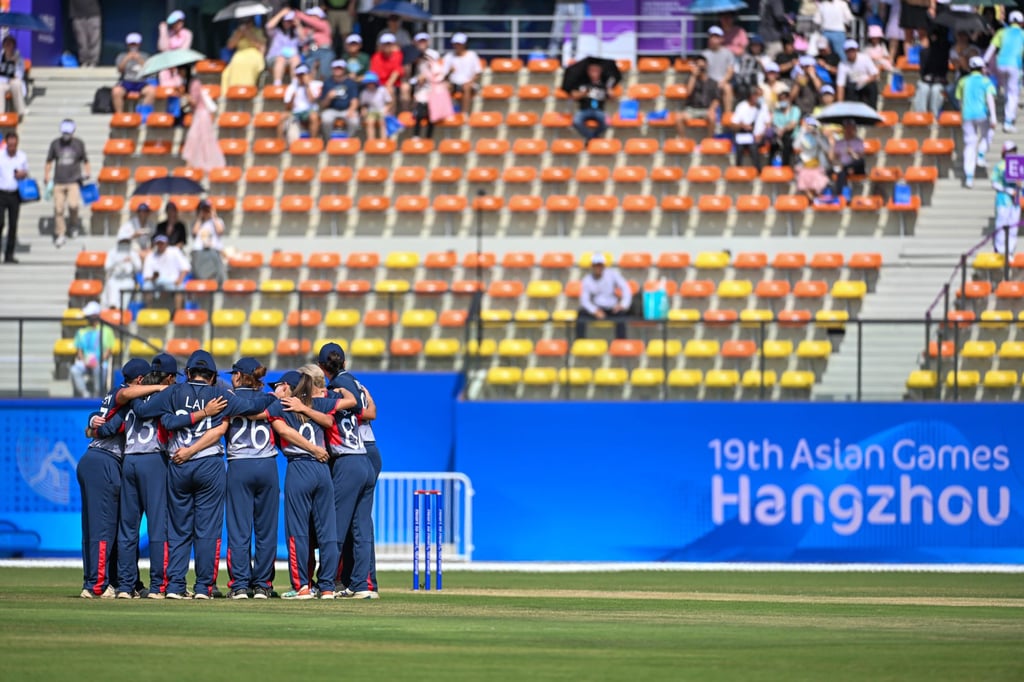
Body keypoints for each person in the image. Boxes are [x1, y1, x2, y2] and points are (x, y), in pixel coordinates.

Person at [147, 350, 267, 599]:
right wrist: (275, 398)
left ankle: (175, 586)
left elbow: (145, 411)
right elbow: (253, 405)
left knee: (179, 530)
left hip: (179, 462)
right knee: (208, 530)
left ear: (188, 373)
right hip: (209, 464)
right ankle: (204, 587)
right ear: (212, 377)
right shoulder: (220, 395)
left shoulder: (173, 392)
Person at [91, 354, 178, 598]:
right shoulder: (168, 395)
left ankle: (126, 586)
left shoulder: (130, 399)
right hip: (153, 460)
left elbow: (106, 429)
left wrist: (91, 424)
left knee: (128, 528)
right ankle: (158, 586)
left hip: (129, 461)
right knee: (158, 527)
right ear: (168, 378)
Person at [268, 368, 352, 599]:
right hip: (322, 468)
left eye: (279, 385)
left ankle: (302, 586)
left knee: (298, 532)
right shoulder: (319, 404)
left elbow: (282, 430)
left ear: (287, 386)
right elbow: (328, 421)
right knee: (327, 531)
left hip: (299, 467)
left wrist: (311, 448)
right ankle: (326, 587)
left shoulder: (281, 406)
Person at [77, 358, 157, 598]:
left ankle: (97, 581)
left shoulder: (116, 395)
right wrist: (161, 388)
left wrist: (91, 426)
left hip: (93, 459)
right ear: (141, 380)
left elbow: (94, 428)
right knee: (104, 528)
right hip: (105, 461)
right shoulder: (126, 395)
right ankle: (97, 586)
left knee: (94, 528)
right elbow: (111, 427)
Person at [310, 346, 379, 598]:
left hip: (350, 457)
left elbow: (332, 418)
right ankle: (363, 584)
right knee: (361, 526)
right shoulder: (353, 382)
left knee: (336, 527)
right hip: (364, 455)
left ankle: (327, 582)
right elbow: (370, 410)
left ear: (321, 366)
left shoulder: (336, 388)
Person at [223, 358, 279, 599]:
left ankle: (240, 585)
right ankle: (263, 585)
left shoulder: (228, 399)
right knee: (266, 531)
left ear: (237, 376)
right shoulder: (271, 398)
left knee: (239, 530)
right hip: (267, 464)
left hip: (239, 465)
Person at [44, 119, 90, 249]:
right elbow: (49, 161)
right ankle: (60, 233)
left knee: (73, 205)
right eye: (64, 132)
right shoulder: (55, 144)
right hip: (58, 181)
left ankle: (73, 225)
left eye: (68, 132)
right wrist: (46, 175)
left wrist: (87, 172)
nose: (66, 135)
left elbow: (85, 160)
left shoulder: (79, 144)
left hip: (74, 180)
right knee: (58, 209)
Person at [956, 55, 997, 189]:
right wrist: (994, 117)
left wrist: (962, 112)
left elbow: (959, 99)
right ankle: (980, 154)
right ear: (981, 68)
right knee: (987, 134)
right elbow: (990, 99)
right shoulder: (986, 81)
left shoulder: (963, 81)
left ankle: (969, 177)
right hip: (981, 114)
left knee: (969, 144)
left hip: (966, 115)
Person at [575, 254, 632, 340]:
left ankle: (621, 343)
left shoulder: (612, 274)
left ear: (603, 266)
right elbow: (584, 300)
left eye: (600, 265)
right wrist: (594, 311)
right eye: (596, 265)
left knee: (621, 316)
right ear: (592, 266)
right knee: (581, 315)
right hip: (597, 308)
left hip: (612, 308)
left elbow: (626, 288)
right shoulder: (587, 280)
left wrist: (623, 304)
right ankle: (580, 341)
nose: (598, 268)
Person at [985, 11, 1024, 132]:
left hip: (1000, 64)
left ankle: (1004, 115)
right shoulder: (1023, 34)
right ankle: (1008, 121)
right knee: (1013, 93)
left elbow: (992, 48)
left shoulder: (1001, 32)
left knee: (1007, 90)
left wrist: (984, 63)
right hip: (1014, 65)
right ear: (1021, 23)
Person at [181, 68, 225, 173]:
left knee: (197, 139)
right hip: (198, 114)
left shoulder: (194, 83)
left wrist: (184, 95)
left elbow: (194, 101)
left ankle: (193, 165)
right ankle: (190, 165)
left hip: (202, 115)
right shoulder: (189, 83)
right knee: (194, 140)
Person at [71, 301, 116, 398]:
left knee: (99, 369)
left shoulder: (107, 331)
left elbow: (109, 350)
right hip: (85, 362)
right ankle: (85, 394)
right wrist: (84, 361)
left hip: (100, 362)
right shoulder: (81, 331)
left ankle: (97, 394)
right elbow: (79, 350)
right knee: (75, 370)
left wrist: (98, 361)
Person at [412, 49, 454, 139]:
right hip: (423, 98)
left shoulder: (438, 71)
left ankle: (428, 138)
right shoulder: (421, 68)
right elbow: (416, 83)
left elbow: (443, 83)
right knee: (419, 115)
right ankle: (416, 135)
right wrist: (420, 80)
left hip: (434, 99)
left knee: (431, 117)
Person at [676, 54, 721, 136]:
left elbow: (717, 99)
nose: (701, 69)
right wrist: (693, 76)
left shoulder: (713, 82)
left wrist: (711, 109)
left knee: (712, 117)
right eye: (698, 66)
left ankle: (709, 140)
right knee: (678, 118)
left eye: (702, 67)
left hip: (706, 109)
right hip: (692, 109)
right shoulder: (691, 79)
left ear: (706, 66)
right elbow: (688, 92)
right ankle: (683, 141)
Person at [142, 234, 190, 310]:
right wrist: (153, 278)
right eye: (158, 243)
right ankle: (148, 310)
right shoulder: (150, 256)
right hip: (156, 282)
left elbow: (185, 268)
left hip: (172, 281)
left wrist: (180, 280)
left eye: (162, 243)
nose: (160, 245)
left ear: (166, 243)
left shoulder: (174, 251)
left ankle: (178, 313)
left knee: (180, 287)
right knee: (146, 286)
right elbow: (146, 276)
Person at [0, 130, 27, 264]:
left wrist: (22, 174)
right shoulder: (0, 156)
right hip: (1, 192)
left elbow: (25, 172)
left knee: (13, 224)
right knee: (0, 223)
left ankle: (9, 255)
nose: (12, 148)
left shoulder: (21, 156)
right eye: (10, 145)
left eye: (14, 145)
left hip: (15, 194)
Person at [112, 33, 153, 115]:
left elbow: (148, 71)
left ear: (139, 44)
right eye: (131, 44)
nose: (133, 46)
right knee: (116, 91)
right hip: (126, 81)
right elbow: (120, 70)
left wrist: (139, 60)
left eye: (135, 44)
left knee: (151, 91)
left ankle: (143, 115)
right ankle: (119, 115)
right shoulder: (122, 56)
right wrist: (126, 59)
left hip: (141, 82)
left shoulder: (145, 55)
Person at [992, 140, 1022, 255]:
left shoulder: (1019, 165)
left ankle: (1010, 250)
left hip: (1016, 201)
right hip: (1003, 200)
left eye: (1013, 150)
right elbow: (994, 183)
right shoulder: (999, 166)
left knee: (1013, 226)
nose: (1012, 153)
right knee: (1001, 224)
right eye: (1009, 151)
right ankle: (999, 250)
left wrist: (1020, 184)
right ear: (1004, 152)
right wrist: (1008, 190)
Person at [319, 60, 360, 140]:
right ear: (332, 69)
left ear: (344, 70)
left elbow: (354, 100)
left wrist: (351, 110)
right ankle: (329, 140)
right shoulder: (327, 83)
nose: (337, 70)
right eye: (335, 68)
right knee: (325, 119)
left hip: (346, 109)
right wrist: (328, 97)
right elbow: (323, 104)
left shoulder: (350, 83)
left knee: (354, 121)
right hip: (332, 110)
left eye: (339, 68)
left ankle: (348, 139)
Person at [571, 61, 611, 142]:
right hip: (584, 110)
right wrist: (584, 93)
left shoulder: (603, 84)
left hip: (599, 110)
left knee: (607, 122)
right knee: (576, 121)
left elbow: (610, 96)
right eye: (592, 70)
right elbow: (574, 96)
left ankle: (591, 138)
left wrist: (609, 92)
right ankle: (593, 138)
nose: (594, 73)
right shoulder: (582, 83)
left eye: (596, 71)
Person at [221, 19, 267, 89]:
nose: (247, 24)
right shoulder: (237, 31)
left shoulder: (258, 31)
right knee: (227, 72)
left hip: (253, 54)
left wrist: (247, 33)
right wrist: (239, 34)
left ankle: (247, 89)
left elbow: (260, 46)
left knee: (247, 65)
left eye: (248, 22)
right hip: (239, 55)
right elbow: (230, 46)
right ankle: (233, 90)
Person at [732, 86, 770, 171]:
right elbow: (734, 124)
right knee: (739, 147)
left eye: (760, 96)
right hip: (745, 136)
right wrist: (743, 126)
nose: (759, 98)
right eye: (757, 95)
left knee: (753, 147)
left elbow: (768, 124)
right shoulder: (741, 106)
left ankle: (757, 171)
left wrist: (761, 134)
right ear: (751, 96)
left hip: (759, 137)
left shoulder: (763, 107)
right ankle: (738, 170)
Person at [443, 33, 482, 114]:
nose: (457, 46)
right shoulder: (448, 56)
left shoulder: (472, 55)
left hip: (468, 83)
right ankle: (446, 112)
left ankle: (464, 113)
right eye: (456, 44)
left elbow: (478, 72)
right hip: (453, 83)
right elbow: (444, 74)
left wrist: (470, 82)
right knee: (444, 87)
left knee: (466, 87)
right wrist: (450, 72)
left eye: (459, 44)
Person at [794, 117, 831, 199]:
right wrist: (802, 131)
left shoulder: (819, 136)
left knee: (818, 181)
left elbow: (827, 149)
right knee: (803, 180)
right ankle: (811, 199)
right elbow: (795, 146)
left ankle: (815, 199)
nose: (810, 127)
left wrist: (818, 136)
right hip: (805, 165)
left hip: (817, 165)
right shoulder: (802, 135)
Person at [282, 64, 321, 140]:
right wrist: (293, 98)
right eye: (299, 75)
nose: (301, 77)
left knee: (314, 116)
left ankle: (313, 142)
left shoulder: (316, 84)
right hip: (296, 113)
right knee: (282, 117)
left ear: (308, 74)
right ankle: (280, 144)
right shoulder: (292, 87)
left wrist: (307, 85)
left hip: (310, 111)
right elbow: (287, 107)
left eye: (303, 74)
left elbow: (312, 100)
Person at [190, 199, 226, 283]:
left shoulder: (218, 221)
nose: (206, 212)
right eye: (204, 209)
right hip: (200, 251)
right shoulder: (196, 222)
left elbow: (220, 231)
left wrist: (214, 216)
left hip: (214, 251)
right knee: (200, 277)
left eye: (207, 209)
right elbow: (194, 233)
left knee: (217, 276)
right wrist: (199, 218)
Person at [267, 9, 305, 86]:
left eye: (290, 21)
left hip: (291, 59)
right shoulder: (276, 32)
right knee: (281, 59)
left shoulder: (295, 32)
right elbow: (269, 26)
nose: (287, 23)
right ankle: (277, 83)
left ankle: (295, 83)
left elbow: (303, 40)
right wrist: (281, 14)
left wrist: (298, 25)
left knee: (296, 58)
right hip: (275, 58)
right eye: (286, 20)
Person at [829, 119, 866, 198]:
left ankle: (839, 195)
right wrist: (832, 145)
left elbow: (860, 158)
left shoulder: (858, 142)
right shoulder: (839, 143)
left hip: (855, 166)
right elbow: (833, 158)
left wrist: (852, 153)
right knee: (841, 173)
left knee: (857, 163)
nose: (848, 131)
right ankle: (839, 196)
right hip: (843, 167)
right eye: (847, 128)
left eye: (851, 128)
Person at [838, 40, 880, 108]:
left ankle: (873, 110)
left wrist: (865, 81)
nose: (851, 53)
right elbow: (840, 84)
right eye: (849, 51)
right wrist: (839, 104)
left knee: (872, 86)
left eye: (853, 50)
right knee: (849, 88)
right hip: (853, 86)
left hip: (866, 82)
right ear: (845, 52)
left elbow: (875, 74)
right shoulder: (842, 64)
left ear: (856, 50)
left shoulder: (864, 58)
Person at [704, 26, 736, 116]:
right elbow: (703, 73)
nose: (713, 39)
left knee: (727, 88)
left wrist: (723, 81)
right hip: (709, 83)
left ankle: (727, 115)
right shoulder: (704, 54)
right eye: (712, 37)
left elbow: (730, 71)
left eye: (716, 37)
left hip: (722, 82)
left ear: (721, 39)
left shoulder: (728, 53)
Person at [102, 238, 141, 309]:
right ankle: (112, 309)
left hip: (128, 279)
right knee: (112, 299)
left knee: (123, 304)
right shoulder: (112, 252)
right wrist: (119, 261)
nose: (124, 244)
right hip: (114, 278)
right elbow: (107, 267)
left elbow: (138, 268)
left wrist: (132, 260)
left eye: (126, 242)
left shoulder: (133, 253)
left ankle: (122, 309)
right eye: (123, 242)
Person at [157, 10, 193, 89]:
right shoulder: (169, 33)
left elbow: (184, 50)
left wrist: (175, 63)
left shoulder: (187, 33)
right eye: (175, 23)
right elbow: (163, 48)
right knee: (163, 75)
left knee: (182, 77)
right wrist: (163, 31)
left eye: (179, 22)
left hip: (181, 64)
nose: (177, 24)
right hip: (168, 64)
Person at [298, 6, 335, 80]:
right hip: (311, 53)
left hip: (325, 51)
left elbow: (314, 23)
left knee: (325, 73)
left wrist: (299, 15)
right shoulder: (307, 29)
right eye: (309, 15)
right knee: (308, 71)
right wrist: (298, 24)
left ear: (319, 16)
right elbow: (301, 40)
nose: (310, 17)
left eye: (312, 15)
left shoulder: (325, 24)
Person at [769, 86, 801, 166]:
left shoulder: (795, 109)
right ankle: (770, 166)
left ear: (789, 99)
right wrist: (778, 131)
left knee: (787, 142)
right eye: (781, 99)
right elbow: (773, 123)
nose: (783, 100)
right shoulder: (777, 112)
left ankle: (785, 166)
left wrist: (783, 130)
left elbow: (792, 124)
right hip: (778, 135)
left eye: (785, 98)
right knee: (773, 143)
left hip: (792, 135)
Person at [370, 33, 404, 104]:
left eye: (389, 44)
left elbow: (397, 71)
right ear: (381, 45)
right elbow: (374, 74)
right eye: (385, 44)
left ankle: (393, 114)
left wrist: (389, 84)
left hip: (393, 84)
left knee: (391, 90)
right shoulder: (376, 57)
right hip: (379, 84)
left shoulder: (398, 55)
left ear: (393, 45)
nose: (387, 46)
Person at [359, 73, 392, 141]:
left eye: (372, 83)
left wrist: (386, 109)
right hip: (371, 111)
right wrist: (363, 110)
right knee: (370, 122)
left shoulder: (382, 90)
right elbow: (364, 104)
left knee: (382, 122)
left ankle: (384, 140)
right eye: (368, 83)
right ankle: (371, 141)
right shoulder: (365, 92)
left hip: (382, 110)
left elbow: (389, 102)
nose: (370, 85)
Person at [70, 0, 102, 67]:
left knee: (94, 40)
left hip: (93, 13)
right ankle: (83, 61)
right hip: (77, 14)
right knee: (81, 41)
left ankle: (93, 62)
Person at [0, 36, 26, 118]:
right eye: (6, 43)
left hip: (13, 81)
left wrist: (15, 66)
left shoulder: (19, 58)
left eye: (10, 43)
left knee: (17, 83)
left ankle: (20, 112)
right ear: (3, 45)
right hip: (1, 82)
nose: (8, 45)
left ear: (14, 46)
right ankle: (1, 114)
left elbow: (20, 74)